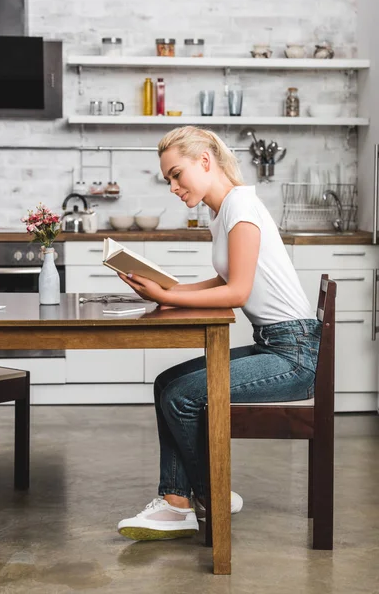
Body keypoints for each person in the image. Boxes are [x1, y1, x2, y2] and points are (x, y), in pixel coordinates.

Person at [116, 126, 321, 541]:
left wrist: (168, 295)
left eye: (177, 174)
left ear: (205, 162)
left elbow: (238, 291)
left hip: (294, 354)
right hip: (276, 344)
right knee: (167, 383)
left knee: (182, 396)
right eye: (168, 179)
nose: (173, 186)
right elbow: (222, 279)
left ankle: (207, 498)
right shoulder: (224, 210)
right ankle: (178, 502)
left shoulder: (241, 207)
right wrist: (168, 294)